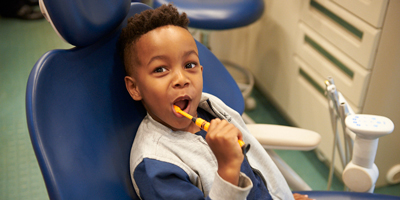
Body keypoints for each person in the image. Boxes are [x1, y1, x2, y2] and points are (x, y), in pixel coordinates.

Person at [119, 4, 314, 200]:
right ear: (134, 88)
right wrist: (228, 168)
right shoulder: (156, 167)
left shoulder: (211, 107)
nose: (181, 78)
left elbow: (255, 171)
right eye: (160, 69)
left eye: (189, 65)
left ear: (201, 72)